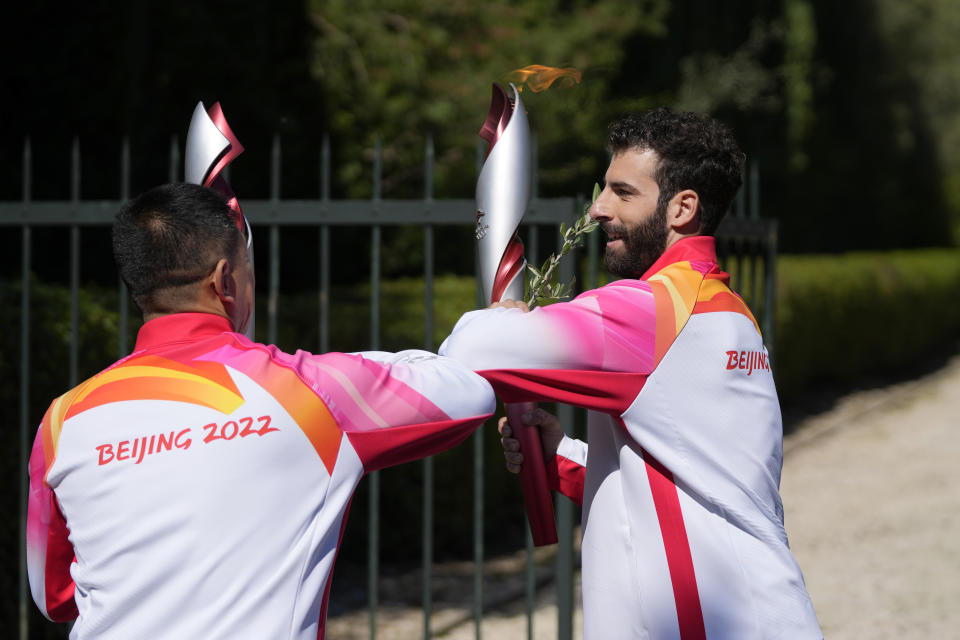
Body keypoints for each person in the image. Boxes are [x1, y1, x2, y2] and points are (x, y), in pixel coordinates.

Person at [26, 183, 496, 639]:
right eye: (249, 266)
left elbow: (55, 597)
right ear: (224, 279)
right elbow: (467, 393)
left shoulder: (62, 420)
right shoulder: (310, 392)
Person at [439, 108, 822, 639]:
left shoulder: (654, 312)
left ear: (682, 207)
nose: (598, 208)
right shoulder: (725, 308)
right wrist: (561, 456)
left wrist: (508, 321)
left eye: (622, 191)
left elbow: (470, 350)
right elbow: (690, 468)